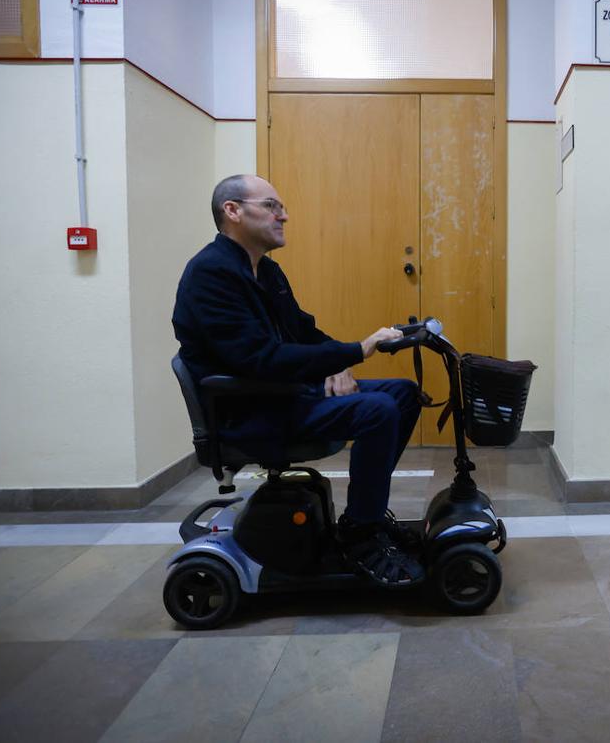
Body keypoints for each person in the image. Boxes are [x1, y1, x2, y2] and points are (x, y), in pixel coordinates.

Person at [173, 174, 424, 587]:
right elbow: (259, 359)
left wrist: (336, 362)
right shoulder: (210, 276)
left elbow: (305, 332)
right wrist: (355, 350)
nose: (284, 216)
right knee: (376, 410)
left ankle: (367, 517)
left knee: (403, 394)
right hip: (251, 411)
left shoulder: (266, 272)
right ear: (232, 211)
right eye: (271, 206)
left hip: (285, 395)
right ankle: (361, 537)